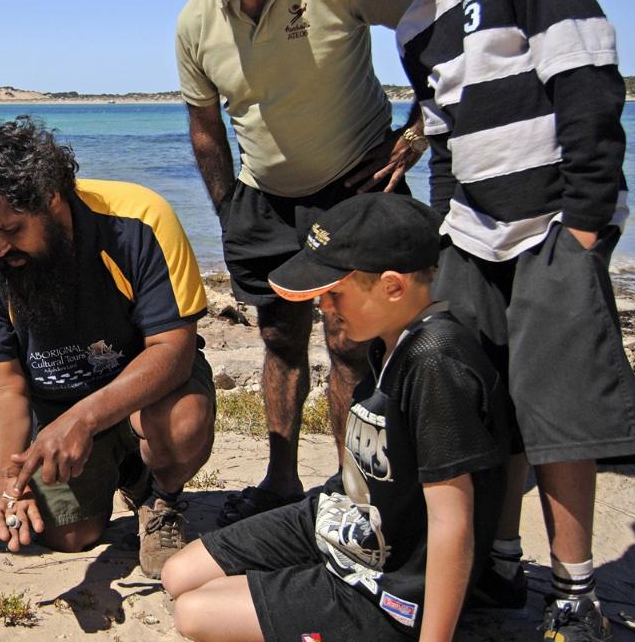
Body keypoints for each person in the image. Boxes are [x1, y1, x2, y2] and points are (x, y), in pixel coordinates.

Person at [332, 0, 635, 639]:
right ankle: (503, 560)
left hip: (551, 231)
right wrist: (445, 230)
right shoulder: (416, 25)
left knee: (556, 412)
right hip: (472, 236)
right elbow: (444, 141)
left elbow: (590, 93)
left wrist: (581, 230)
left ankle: (574, 592)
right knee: (483, 403)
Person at [163, 193, 507, 642]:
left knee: (194, 614)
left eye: (334, 293)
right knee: (177, 574)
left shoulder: (435, 361)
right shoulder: (387, 341)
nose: (323, 307)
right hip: (338, 518)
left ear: (393, 287)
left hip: (387, 578)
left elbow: (453, 522)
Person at [174, 0, 427, 525]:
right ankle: (281, 480)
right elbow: (206, 127)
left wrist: (419, 129)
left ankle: (354, 488)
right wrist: (228, 207)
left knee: (349, 344)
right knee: (279, 341)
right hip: (264, 199)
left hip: (356, 185)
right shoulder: (195, 22)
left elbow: (435, 26)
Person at [0, 116, 216, 579]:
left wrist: (84, 418)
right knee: (69, 536)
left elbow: (173, 349)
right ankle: (130, 472)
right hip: (54, 414)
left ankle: (162, 499)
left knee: (182, 420)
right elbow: (1, 389)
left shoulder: (138, 220)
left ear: (51, 197)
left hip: (145, 397)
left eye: (11, 229)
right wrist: (2, 476)